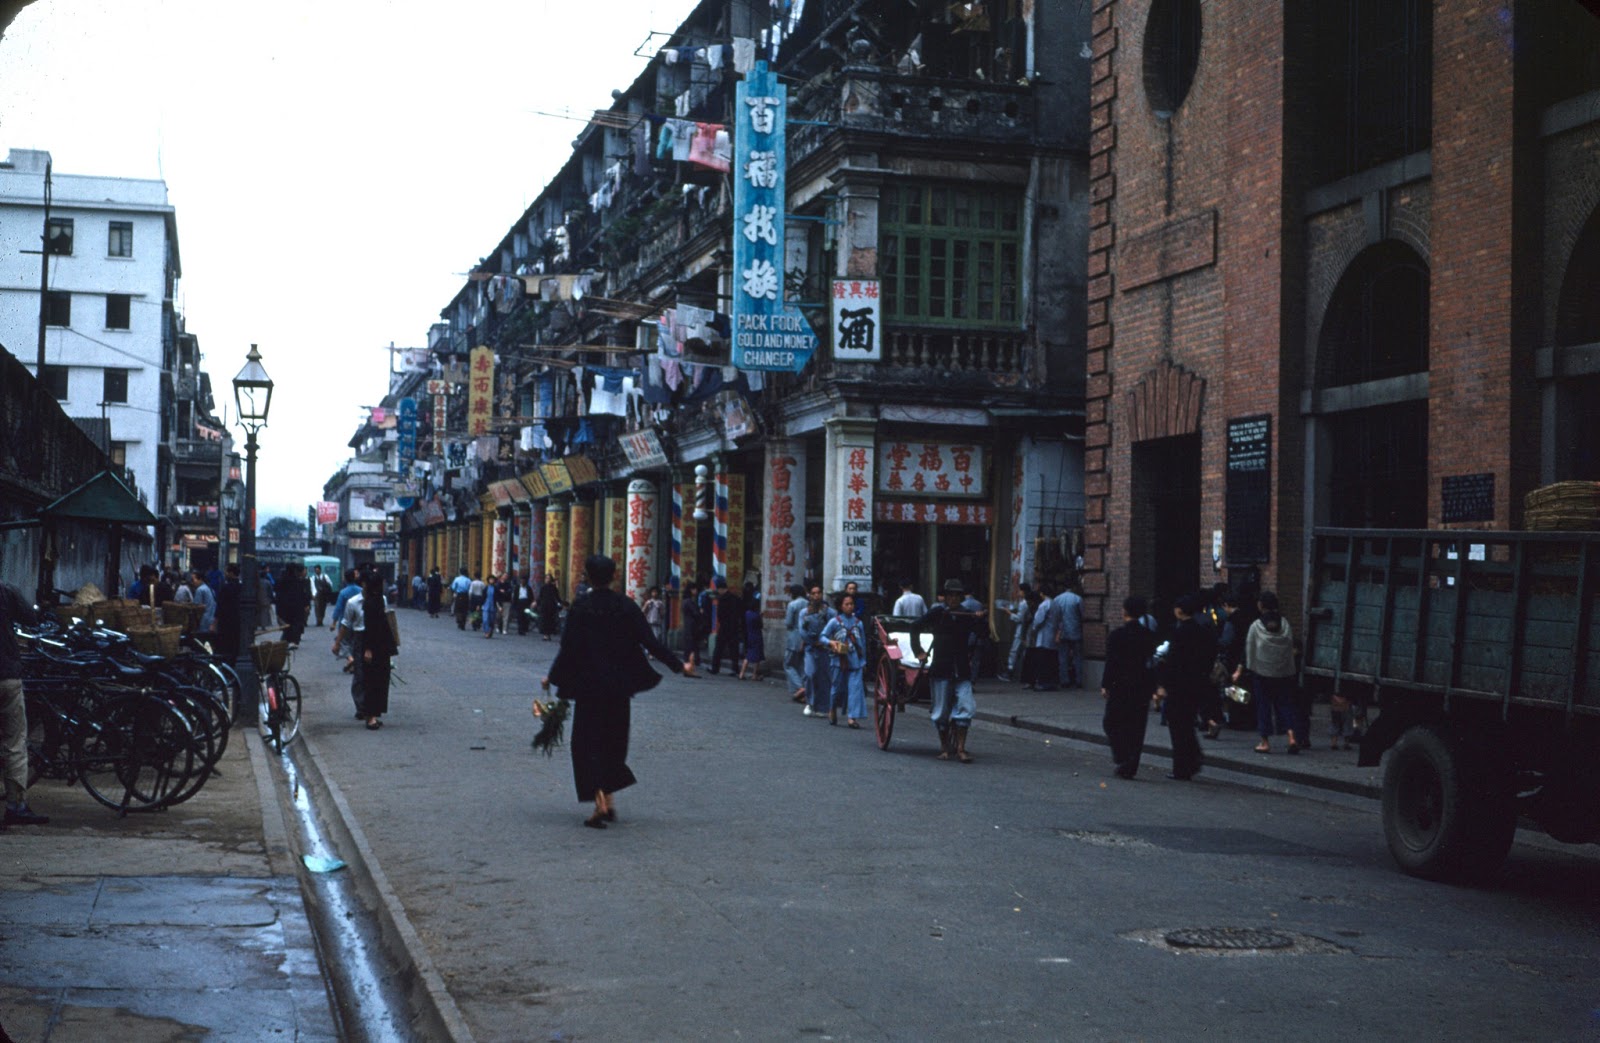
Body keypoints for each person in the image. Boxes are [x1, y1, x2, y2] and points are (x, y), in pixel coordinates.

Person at [542, 554, 684, 829]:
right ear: (614, 576)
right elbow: (650, 642)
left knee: (585, 745)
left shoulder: (581, 607)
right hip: (618, 688)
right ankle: (609, 799)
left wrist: (553, 676)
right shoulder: (626, 606)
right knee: (613, 743)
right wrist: (678, 665)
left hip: (589, 689)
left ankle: (600, 803)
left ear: (587, 577)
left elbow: (568, 647)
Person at [911, 579, 985, 762]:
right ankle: (944, 747)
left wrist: (980, 620)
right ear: (945, 596)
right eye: (950, 595)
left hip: (961, 668)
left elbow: (983, 634)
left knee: (966, 706)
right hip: (941, 666)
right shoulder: (937, 612)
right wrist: (918, 651)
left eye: (957, 596)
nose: (953, 599)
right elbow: (915, 626)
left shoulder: (966, 614)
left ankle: (961, 748)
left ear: (961, 597)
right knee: (941, 711)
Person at [0, 582, 48, 827]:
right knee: (14, 742)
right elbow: (31, 617)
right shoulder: (6, 591)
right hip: (6, 676)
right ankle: (15, 805)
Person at [1101, 596, 1160, 778]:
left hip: (1120, 684)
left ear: (1124, 611)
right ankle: (1131, 763)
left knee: (1111, 721)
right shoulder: (1148, 636)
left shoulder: (1117, 635)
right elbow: (1152, 662)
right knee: (1137, 725)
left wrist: (1105, 684)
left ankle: (1121, 755)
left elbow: (1111, 662)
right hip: (1142, 685)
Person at [1155, 595, 1212, 780]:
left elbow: (1173, 661)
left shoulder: (1179, 632)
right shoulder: (1201, 630)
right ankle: (1192, 759)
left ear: (1179, 611)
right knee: (1187, 724)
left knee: (1178, 727)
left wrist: (1163, 684)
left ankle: (1182, 766)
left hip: (1178, 686)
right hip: (1195, 683)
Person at [1241, 590, 1301, 753]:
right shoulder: (1285, 624)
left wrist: (1250, 668)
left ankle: (1265, 742)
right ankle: (1291, 737)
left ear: (1261, 606)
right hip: (1283, 672)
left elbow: (1250, 649)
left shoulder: (1256, 626)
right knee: (1285, 704)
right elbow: (1289, 646)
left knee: (1263, 706)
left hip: (1262, 672)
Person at [338, 571, 398, 730]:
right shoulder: (368, 603)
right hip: (369, 643)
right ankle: (368, 715)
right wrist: (369, 649)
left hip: (380, 644)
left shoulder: (379, 600)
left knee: (380, 679)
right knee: (368, 679)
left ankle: (373, 713)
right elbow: (371, 627)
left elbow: (383, 624)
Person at [820, 592, 867, 726]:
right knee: (836, 689)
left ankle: (852, 717)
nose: (850, 607)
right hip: (838, 660)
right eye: (846, 604)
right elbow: (822, 636)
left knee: (855, 689)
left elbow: (862, 644)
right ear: (841, 606)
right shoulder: (834, 622)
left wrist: (864, 661)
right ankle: (832, 708)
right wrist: (831, 643)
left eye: (851, 604)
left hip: (855, 661)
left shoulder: (859, 623)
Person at [798, 584, 834, 718]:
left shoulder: (829, 612)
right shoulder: (804, 613)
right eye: (813, 593)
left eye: (818, 593)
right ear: (809, 595)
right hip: (811, 647)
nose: (816, 596)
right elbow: (802, 631)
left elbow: (833, 629)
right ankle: (809, 702)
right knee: (810, 673)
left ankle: (822, 706)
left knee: (824, 677)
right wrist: (813, 641)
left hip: (825, 648)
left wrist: (825, 641)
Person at [1025, 581, 1061, 690]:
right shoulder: (1056, 603)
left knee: (1043, 660)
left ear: (1042, 593)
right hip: (1053, 634)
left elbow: (1038, 620)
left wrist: (1034, 628)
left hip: (1044, 635)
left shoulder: (1044, 604)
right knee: (1051, 660)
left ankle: (1043, 682)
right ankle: (1051, 682)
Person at [1053, 583, 1084, 689]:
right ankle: (1078, 680)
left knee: (1063, 657)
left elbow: (1056, 617)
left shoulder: (1057, 599)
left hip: (1063, 632)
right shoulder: (1078, 599)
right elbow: (1082, 615)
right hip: (1076, 631)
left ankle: (1064, 680)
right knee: (1077, 657)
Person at [709, 577, 742, 675]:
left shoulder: (722, 599)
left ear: (721, 589)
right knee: (734, 649)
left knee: (719, 648)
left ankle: (715, 668)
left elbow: (720, 615)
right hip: (734, 626)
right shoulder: (736, 598)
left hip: (724, 626)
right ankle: (735, 669)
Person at [1001, 584, 1034, 683]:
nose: (1018, 593)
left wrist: (1009, 613)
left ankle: (1010, 672)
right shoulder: (1027, 602)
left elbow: (1019, 618)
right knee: (1023, 651)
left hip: (1022, 630)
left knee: (1014, 651)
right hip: (1027, 630)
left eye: (1020, 591)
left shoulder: (1024, 603)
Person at [782, 583, 808, 702]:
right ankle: (802, 691)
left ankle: (799, 687)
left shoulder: (792, 604)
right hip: (806, 637)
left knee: (788, 664)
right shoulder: (808, 604)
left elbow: (788, 623)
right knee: (801, 665)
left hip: (794, 637)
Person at [276, 563, 310, 647]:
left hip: (285, 607)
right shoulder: (298, 581)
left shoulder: (282, 580)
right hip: (297, 607)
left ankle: (286, 640)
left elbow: (278, 594)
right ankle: (293, 641)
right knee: (296, 624)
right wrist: (306, 604)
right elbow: (302, 594)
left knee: (288, 624)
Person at [738, 584, 764, 681]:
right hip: (757, 636)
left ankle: (742, 673)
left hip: (749, 635)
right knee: (757, 656)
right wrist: (761, 617)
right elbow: (761, 626)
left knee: (748, 655)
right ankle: (754, 675)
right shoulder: (756, 616)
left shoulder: (747, 613)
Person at [678, 580, 703, 676]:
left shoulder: (685, 601)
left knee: (689, 649)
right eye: (695, 589)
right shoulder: (690, 602)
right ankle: (690, 669)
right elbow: (696, 614)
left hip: (688, 627)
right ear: (692, 590)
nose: (696, 591)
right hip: (692, 627)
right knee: (692, 649)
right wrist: (700, 612)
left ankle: (688, 669)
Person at [536, 572, 563, 640]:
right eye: (546, 578)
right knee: (544, 620)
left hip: (551, 606)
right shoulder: (543, 587)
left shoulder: (553, 588)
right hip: (544, 606)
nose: (547, 579)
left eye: (548, 578)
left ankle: (548, 634)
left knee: (550, 621)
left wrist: (562, 603)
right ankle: (545, 635)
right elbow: (540, 597)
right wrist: (536, 602)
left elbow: (557, 597)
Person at [514, 570, 534, 635]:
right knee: (519, 616)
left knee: (526, 616)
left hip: (526, 603)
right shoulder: (517, 587)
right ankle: (520, 630)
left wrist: (531, 603)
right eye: (522, 580)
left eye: (524, 580)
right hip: (519, 602)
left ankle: (525, 628)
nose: (523, 581)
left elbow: (531, 596)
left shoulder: (528, 588)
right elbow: (515, 596)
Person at [481, 574, 498, 639]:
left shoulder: (496, 588)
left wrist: (499, 606)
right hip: (486, 605)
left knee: (491, 620)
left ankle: (490, 630)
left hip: (492, 606)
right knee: (485, 619)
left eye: (492, 579)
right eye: (490, 579)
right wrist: (479, 605)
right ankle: (487, 632)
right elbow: (483, 597)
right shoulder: (486, 588)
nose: (491, 581)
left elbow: (498, 598)